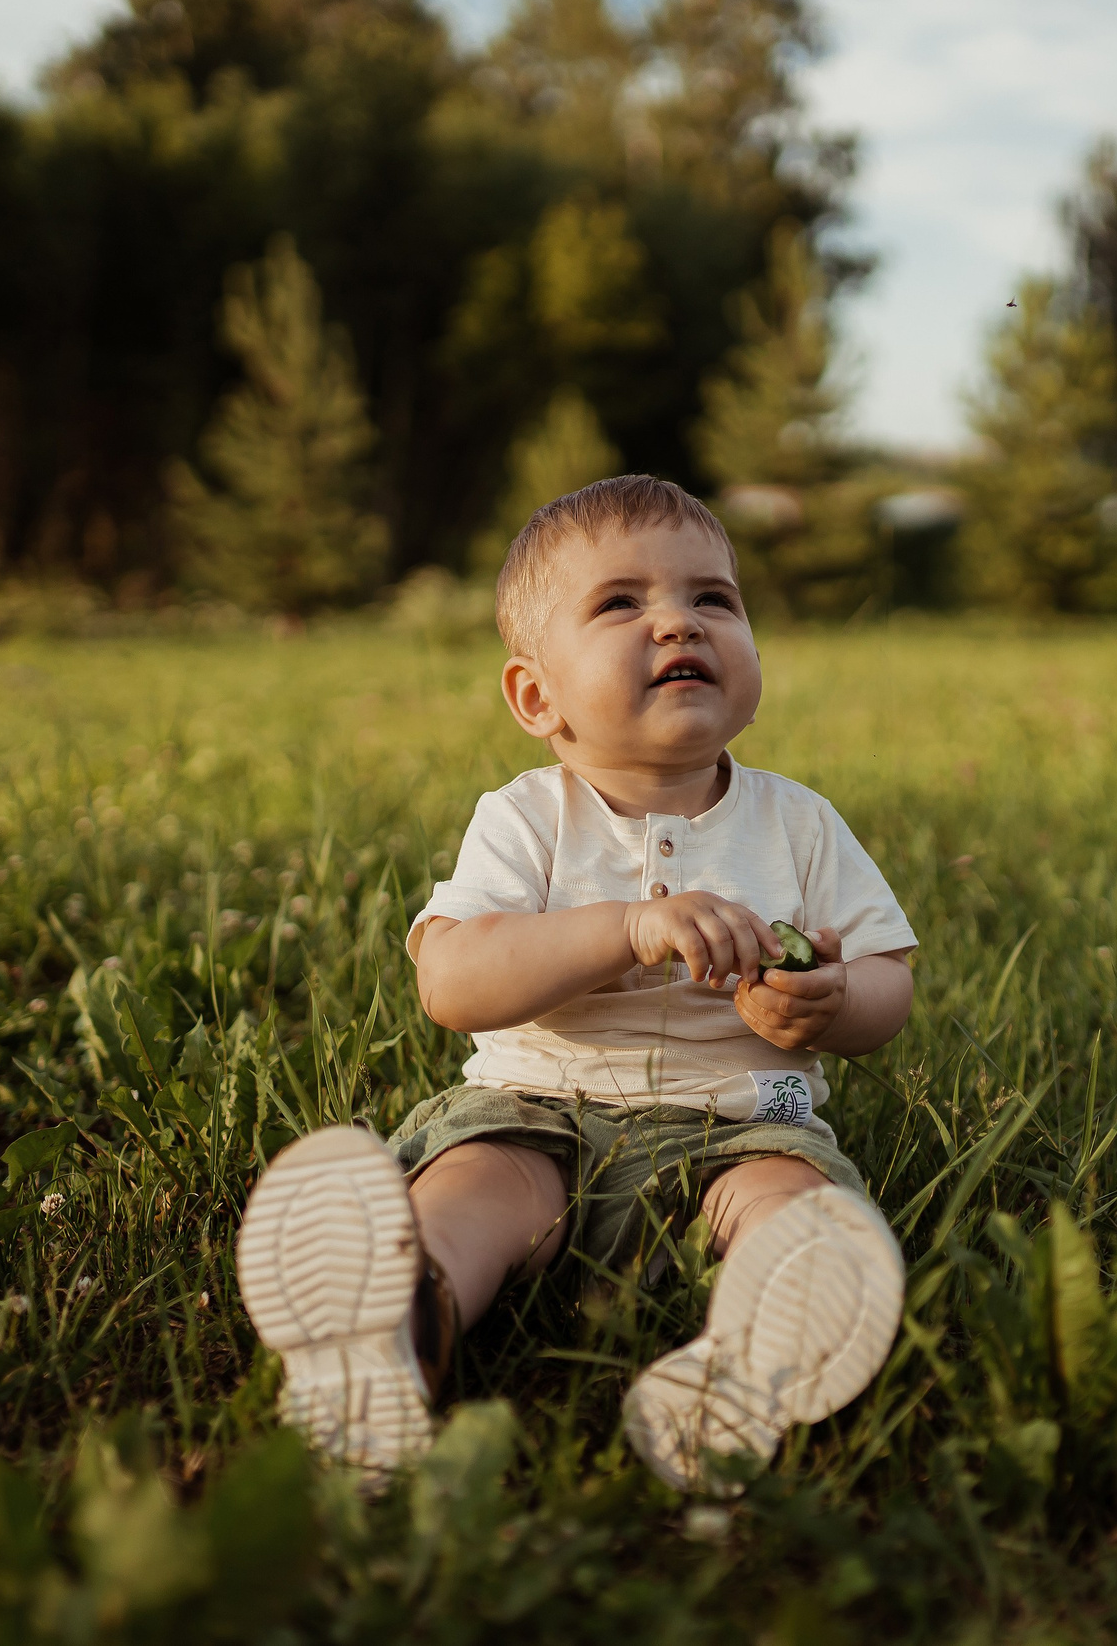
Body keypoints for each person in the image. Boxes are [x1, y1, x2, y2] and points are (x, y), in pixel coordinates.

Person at [234, 474, 916, 1492]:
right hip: (536, 1114)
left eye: (713, 598)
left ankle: (738, 1372)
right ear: (536, 696)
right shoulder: (526, 816)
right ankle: (384, 1333)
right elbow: (453, 981)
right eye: (620, 602)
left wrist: (827, 1000)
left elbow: (887, 985)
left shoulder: (798, 822)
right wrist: (628, 927)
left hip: (740, 1124)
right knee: (467, 1193)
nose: (677, 619)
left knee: (789, 1204)